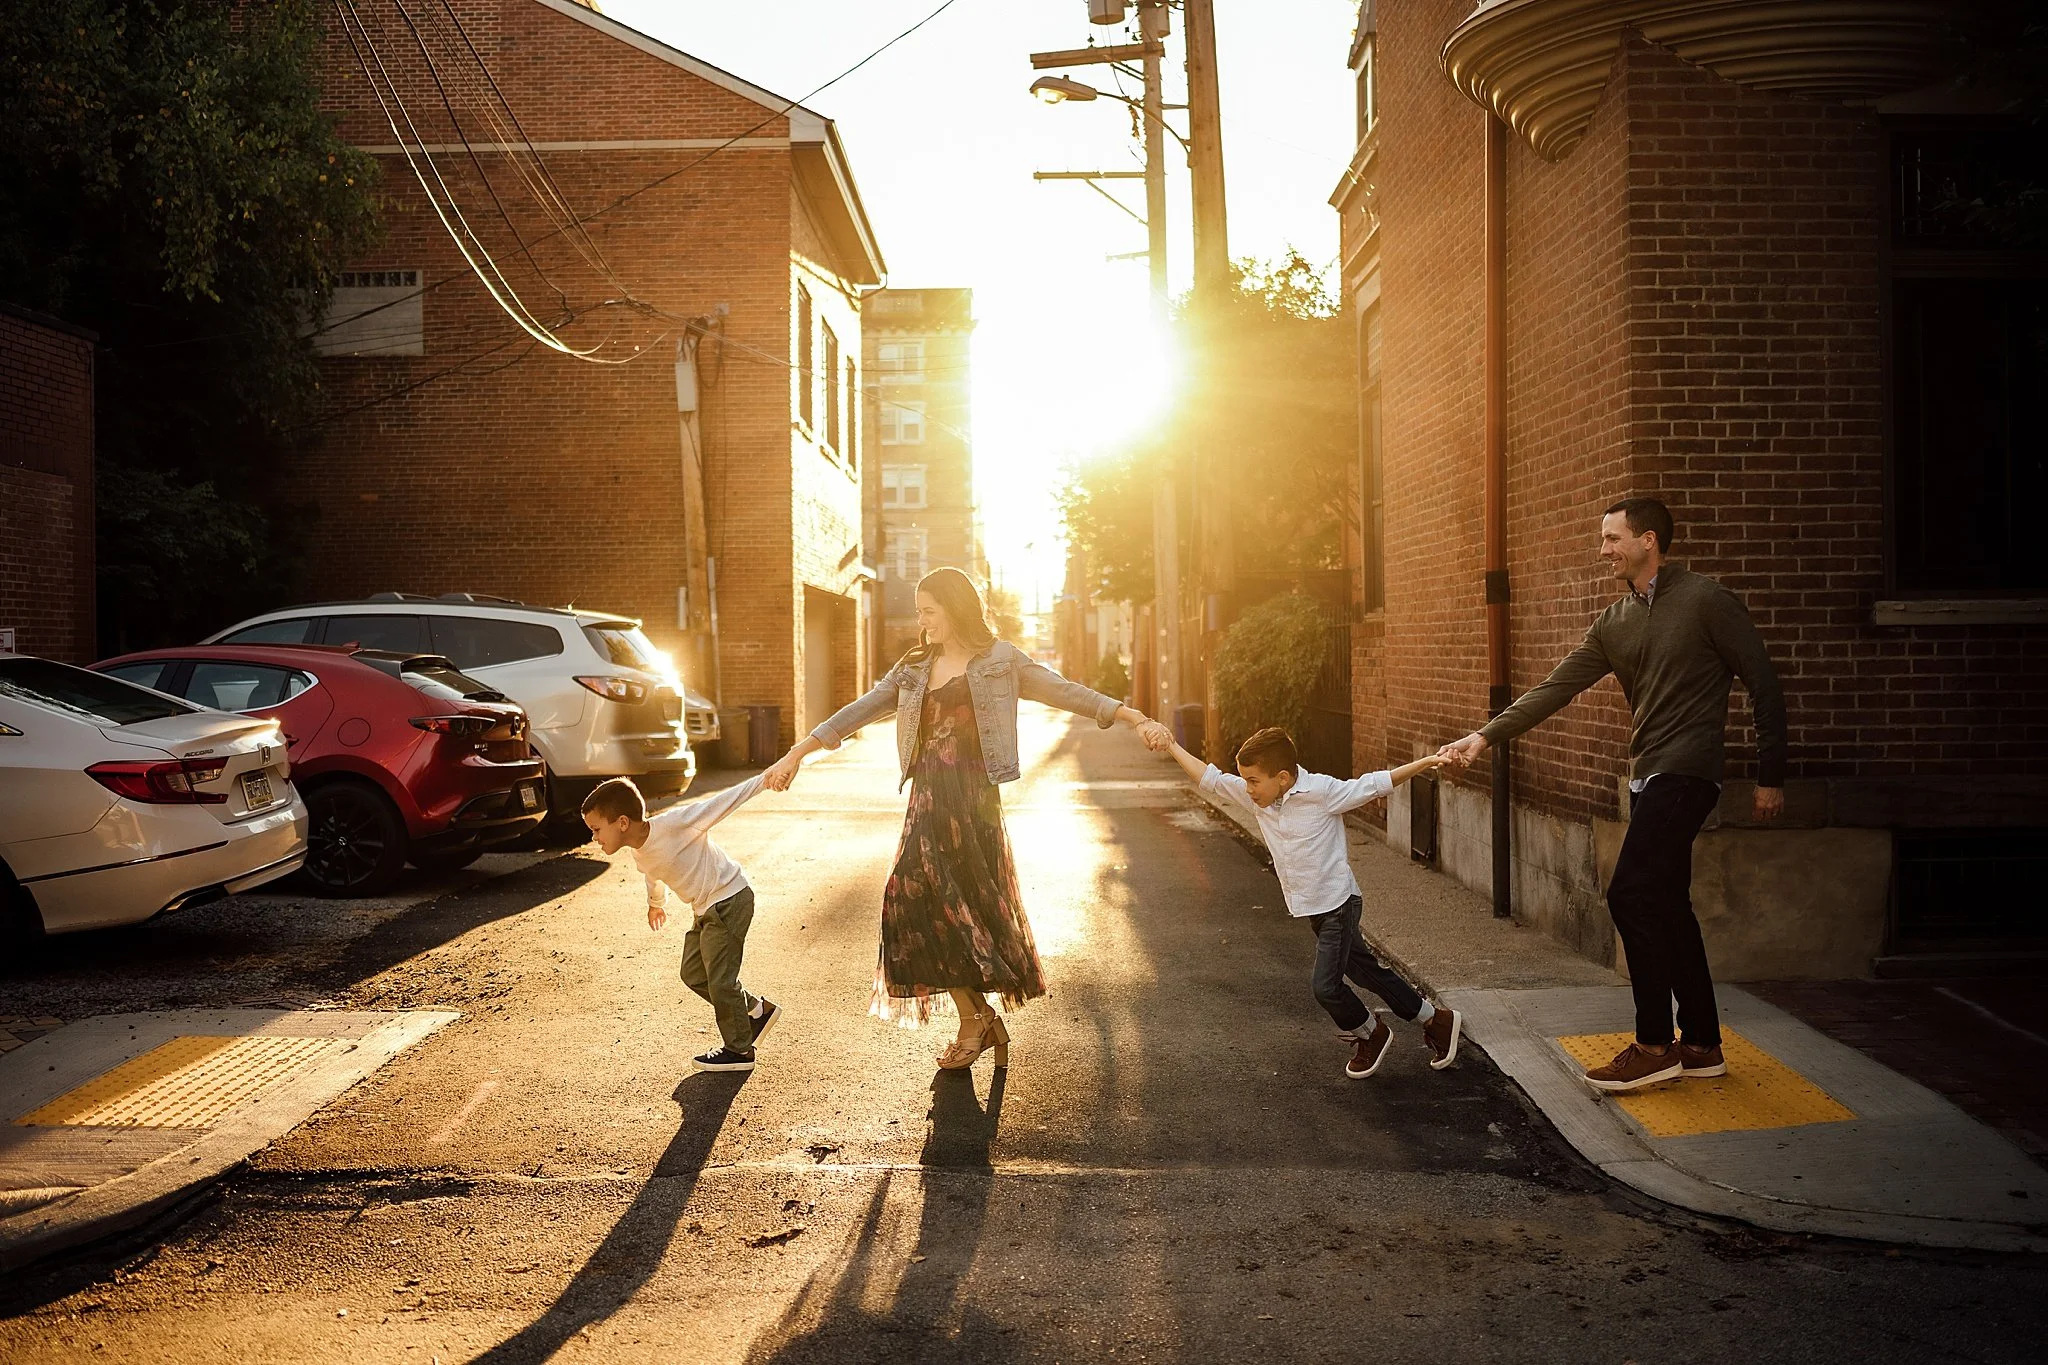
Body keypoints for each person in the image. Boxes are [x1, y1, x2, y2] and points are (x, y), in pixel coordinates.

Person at [1438, 496, 1786, 1093]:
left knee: (1630, 892)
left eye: (1612, 538)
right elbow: (1555, 687)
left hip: (1688, 772)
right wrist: (1484, 736)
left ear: (1648, 541)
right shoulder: (1615, 622)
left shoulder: (1706, 601)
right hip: (1648, 773)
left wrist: (1771, 774)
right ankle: (1701, 1045)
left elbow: (1762, 680)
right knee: (1669, 905)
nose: (1603, 550)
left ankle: (1655, 1044)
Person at [763, 567, 1170, 1069]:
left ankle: (974, 1021)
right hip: (928, 799)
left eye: (929, 610)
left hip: (972, 803)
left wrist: (1133, 717)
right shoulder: (913, 668)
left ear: (955, 608)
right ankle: (977, 1016)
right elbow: (859, 711)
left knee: (964, 909)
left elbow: (1068, 692)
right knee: (909, 902)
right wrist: (797, 753)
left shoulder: (1001, 661)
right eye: (920, 611)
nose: (922, 620)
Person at [1152, 723, 1463, 1080]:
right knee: (1364, 972)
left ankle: (1371, 1033)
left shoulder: (1322, 792)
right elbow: (1211, 779)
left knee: (1326, 986)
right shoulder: (1261, 799)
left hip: (1339, 904)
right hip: (1314, 909)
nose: (1248, 789)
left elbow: (1376, 783)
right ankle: (1436, 1020)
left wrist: (1428, 761)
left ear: (1282, 777)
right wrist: (1173, 745)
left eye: (1254, 780)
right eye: (1246, 781)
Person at [582, 774, 779, 1074]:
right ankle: (755, 1010)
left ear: (622, 823)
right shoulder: (639, 851)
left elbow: (723, 802)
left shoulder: (676, 824)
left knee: (721, 981)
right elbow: (652, 873)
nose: (594, 838)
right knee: (692, 972)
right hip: (705, 910)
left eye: (596, 829)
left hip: (729, 899)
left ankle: (740, 1050)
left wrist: (767, 778)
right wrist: (655, 905)